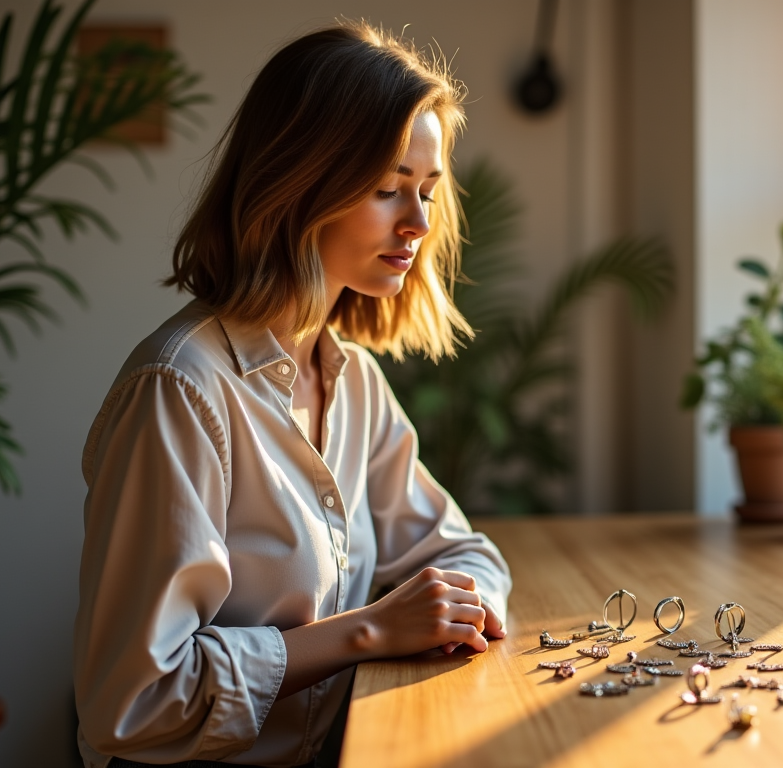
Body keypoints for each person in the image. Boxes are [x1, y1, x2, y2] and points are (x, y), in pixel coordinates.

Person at [73, 22, 511, 768]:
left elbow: (463, 551)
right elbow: (134, 698)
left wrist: (458, 604)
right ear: (300, 183)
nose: (419, 223)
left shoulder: (355, 381)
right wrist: (368, 632)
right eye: (387, 189)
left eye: (429, 191)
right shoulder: (179, 390)